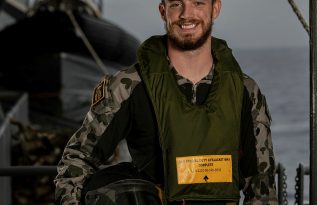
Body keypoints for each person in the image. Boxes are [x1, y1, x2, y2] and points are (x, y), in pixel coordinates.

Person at [54, 0, 278, 204]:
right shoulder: (129, 86)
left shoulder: (245, 91)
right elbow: (78, 159)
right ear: (163, 11)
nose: (186, 14)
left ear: (215, 8)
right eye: (176, 4)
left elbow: (261, 187)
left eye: (198, 3)